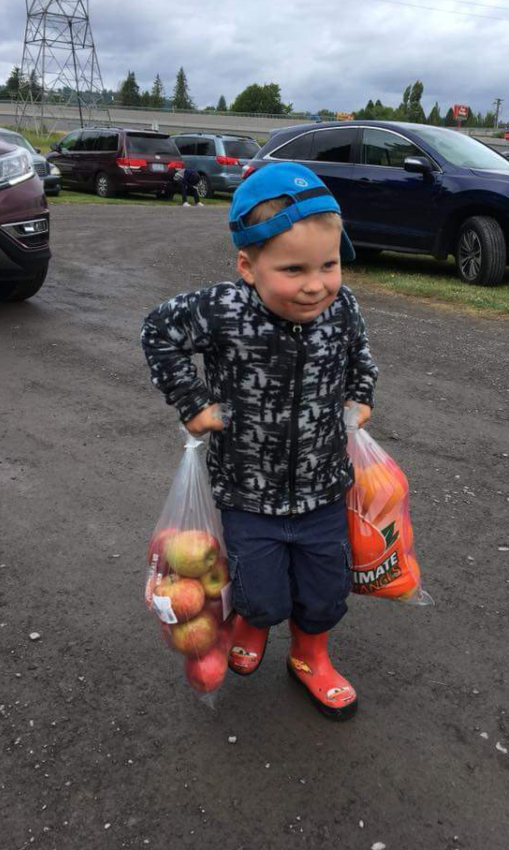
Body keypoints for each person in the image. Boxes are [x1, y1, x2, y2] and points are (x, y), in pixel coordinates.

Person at [141, 162, 378, 720]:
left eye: (329, 264)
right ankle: (251, 621)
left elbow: (359, 353)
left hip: (323, 489)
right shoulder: (223, 310)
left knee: (324, 593)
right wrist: (193, 401)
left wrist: (362, 392)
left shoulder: (340, 309)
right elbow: (159, 332)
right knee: (259, 594)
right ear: (248, 266)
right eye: (293, 269)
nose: (316, 284)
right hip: (246, 494)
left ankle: (310, 656)